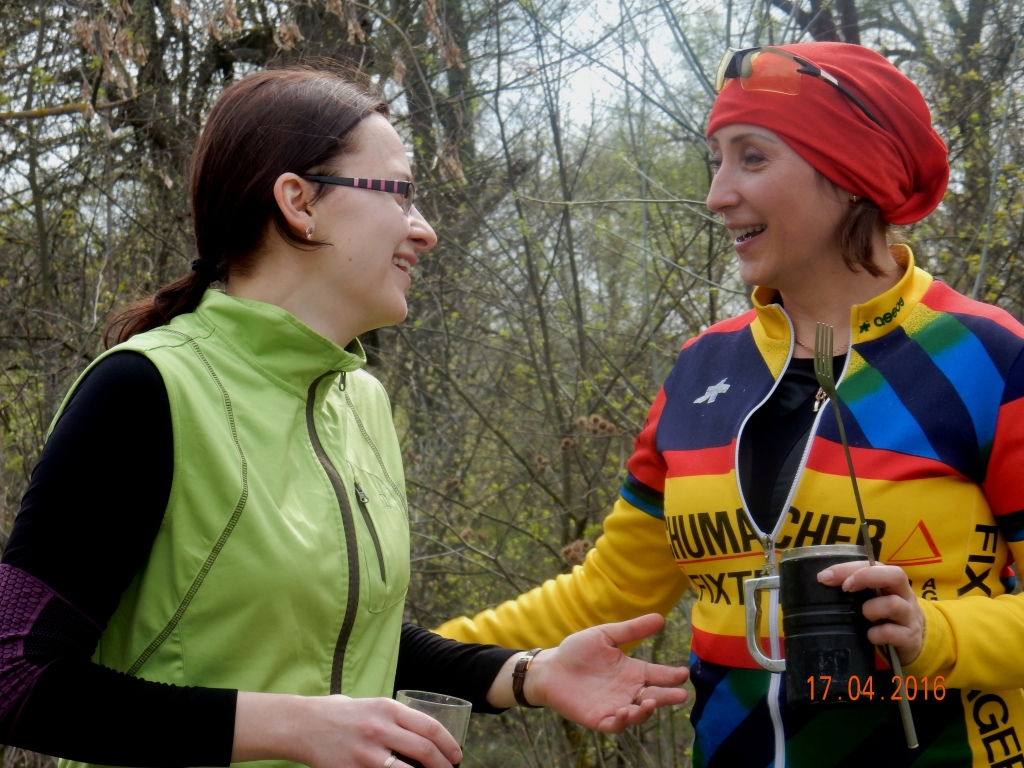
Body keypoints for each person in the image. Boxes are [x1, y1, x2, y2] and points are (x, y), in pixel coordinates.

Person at [0, 68, 690, 768]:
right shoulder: (145, 390)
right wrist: (291, 727)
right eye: (401, 194)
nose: (425, 231)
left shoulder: (361, 402)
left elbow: (347, 640)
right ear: (299, 202)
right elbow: (15, 675)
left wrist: (526, 674)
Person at [437, 42, 1024, 767]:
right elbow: (609, 591)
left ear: (852, 174)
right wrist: (412, 656)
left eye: (752, 158)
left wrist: (935, 635)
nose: (717, 194)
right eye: (716, 161)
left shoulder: (987, 359)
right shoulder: (702, 368)